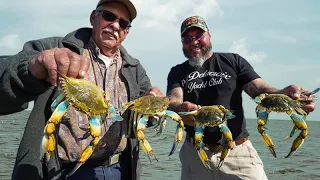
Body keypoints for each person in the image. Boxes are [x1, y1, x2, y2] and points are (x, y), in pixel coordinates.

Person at [0, 0, 164, 180]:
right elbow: (5, 76)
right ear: (94, 17)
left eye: (123, 23)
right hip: (60, 171)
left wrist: (154, 109)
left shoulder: (135, 69)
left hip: (121, 169)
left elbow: (145, 120)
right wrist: (30, 68)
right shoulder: (56, 49)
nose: (115, 25)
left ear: (126, 32)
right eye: (109, 16)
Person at [166, 15, 315, 180]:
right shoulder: (177, 72)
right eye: (187, 38)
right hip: (195, 153)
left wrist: (284, 92)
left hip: (237, 152)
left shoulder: (233, 61)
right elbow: (174, 99)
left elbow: (259, 89)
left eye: (199, 36)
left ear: (209, 35)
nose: (194, 42)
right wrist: (180, 108)